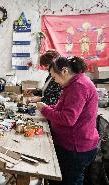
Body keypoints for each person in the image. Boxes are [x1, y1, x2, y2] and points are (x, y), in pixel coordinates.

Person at [36, 56, 99, 185]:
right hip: (71, 144)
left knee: (70, 181)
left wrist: (45, 110)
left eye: (54, 77)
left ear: (64, 71)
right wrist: (48, 107)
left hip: (76, 147)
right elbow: (63, 107)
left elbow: (67, 119)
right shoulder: (73, 83)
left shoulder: (79, 86)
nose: (55, 81)